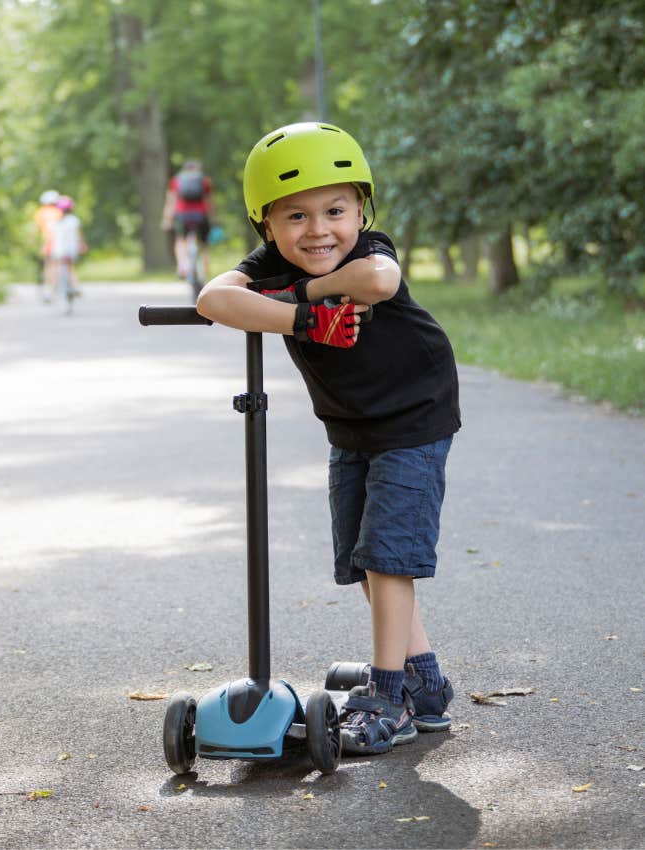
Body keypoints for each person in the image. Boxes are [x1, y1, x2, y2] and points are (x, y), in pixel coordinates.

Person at [196, 122, 461, 756]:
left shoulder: (371, 249)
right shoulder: (271, 267)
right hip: (350, 426)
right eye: (296, 216)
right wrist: (305, 314)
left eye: (335, 210)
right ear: (267, 226)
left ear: (362, 209)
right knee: (365, 560)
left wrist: (298, 293)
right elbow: (213, 299)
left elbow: (378, 283)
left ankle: (386, 697)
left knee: (386, 556)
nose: (319, 230)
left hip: (414, 414)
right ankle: (426, 685)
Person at [161, 159, 213, 282]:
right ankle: (205, 269)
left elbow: (171, 201)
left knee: (180, 240)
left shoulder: (176, 181)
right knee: (203, 244)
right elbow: (210, 202)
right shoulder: (205, 181)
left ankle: (182, 267)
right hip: (201, 215)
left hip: (183, 214)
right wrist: (213, 218)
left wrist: (167, 219)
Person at [49, 195, 87, 313]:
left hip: (59, 251)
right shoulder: (74, 220)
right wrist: (82, 245)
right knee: (70, 269)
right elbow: (79, 235)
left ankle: (54, 290)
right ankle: (75, 287)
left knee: (58, 270)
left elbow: (52, 239)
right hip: (71, 250)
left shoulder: (56, 222)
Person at [34, 190, 62, 300]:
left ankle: (49, 289)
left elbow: (37, 229)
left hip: (48, 243)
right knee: (58, 266)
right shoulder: (59, 212)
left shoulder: (41, 212)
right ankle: (57, 286)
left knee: (48, 266)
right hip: (60, 243)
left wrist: (33, 240)